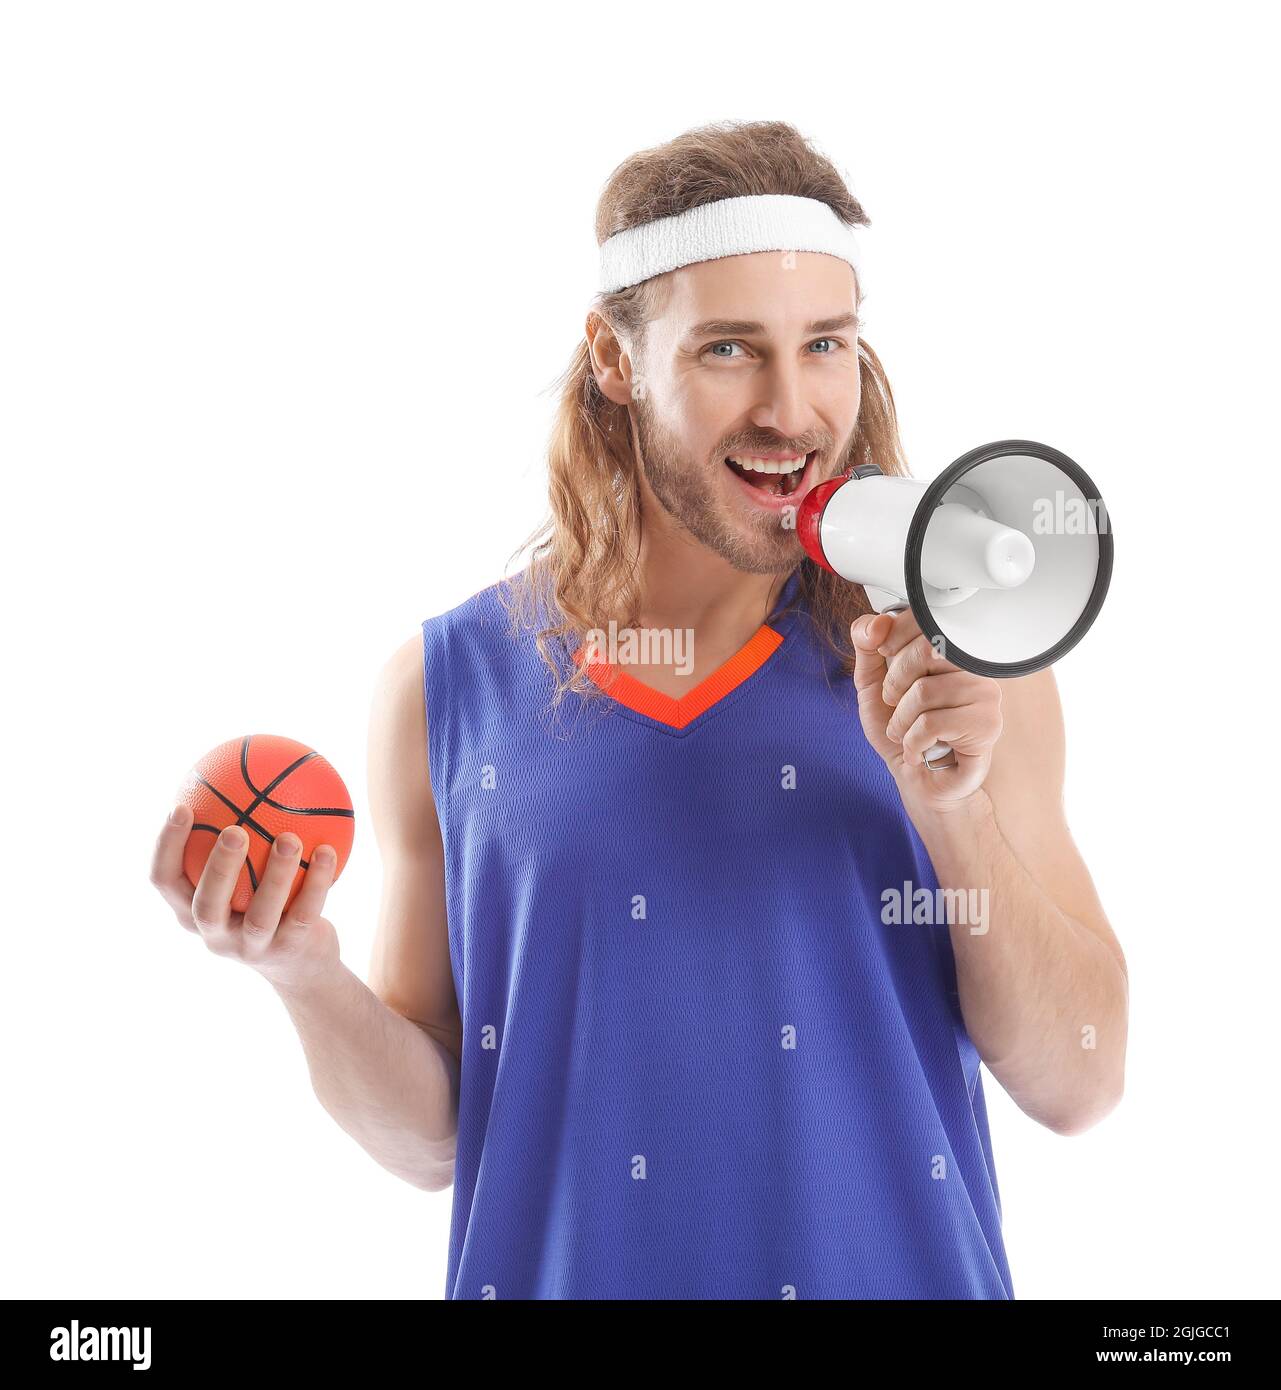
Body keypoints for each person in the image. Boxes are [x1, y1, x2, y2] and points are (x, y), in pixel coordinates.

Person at [149, 119, 1128, 1300]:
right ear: (615, 360)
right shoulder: (445, 688)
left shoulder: (965, 663)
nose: (792, 411)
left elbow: (1083, 1083)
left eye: (825, 343)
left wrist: (952, 809)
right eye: (730, 349)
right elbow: (438, 1141)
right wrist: (305, 972)